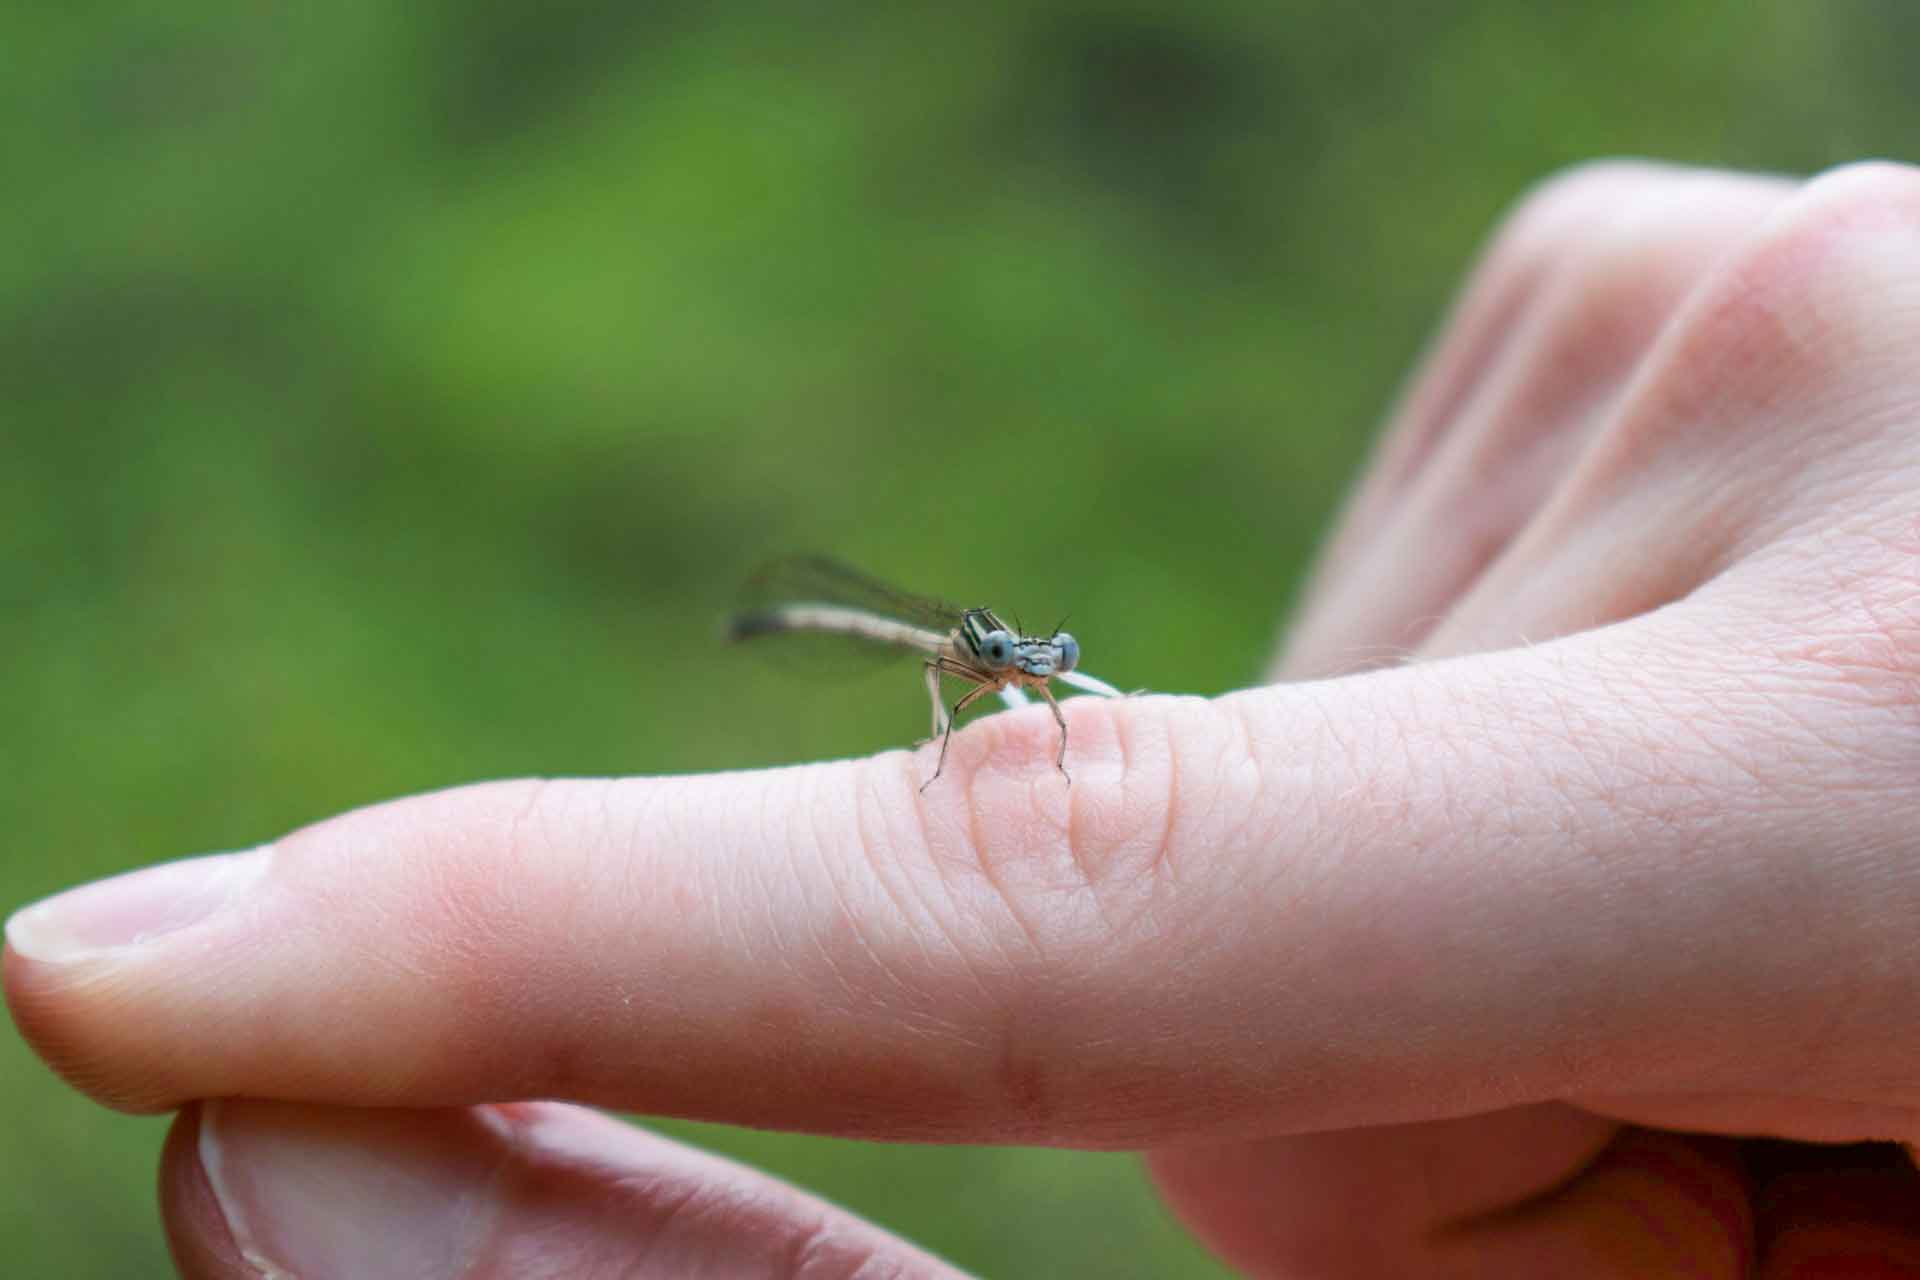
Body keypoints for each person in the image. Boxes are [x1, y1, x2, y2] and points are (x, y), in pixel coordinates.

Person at [9, 159, 1920, 1277]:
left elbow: (1046, 694)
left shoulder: (1042, 675)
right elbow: (961, 678)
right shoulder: (963, 665)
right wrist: (974, 763)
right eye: (1010, 679)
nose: (1020, 686)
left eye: (1018, 679)